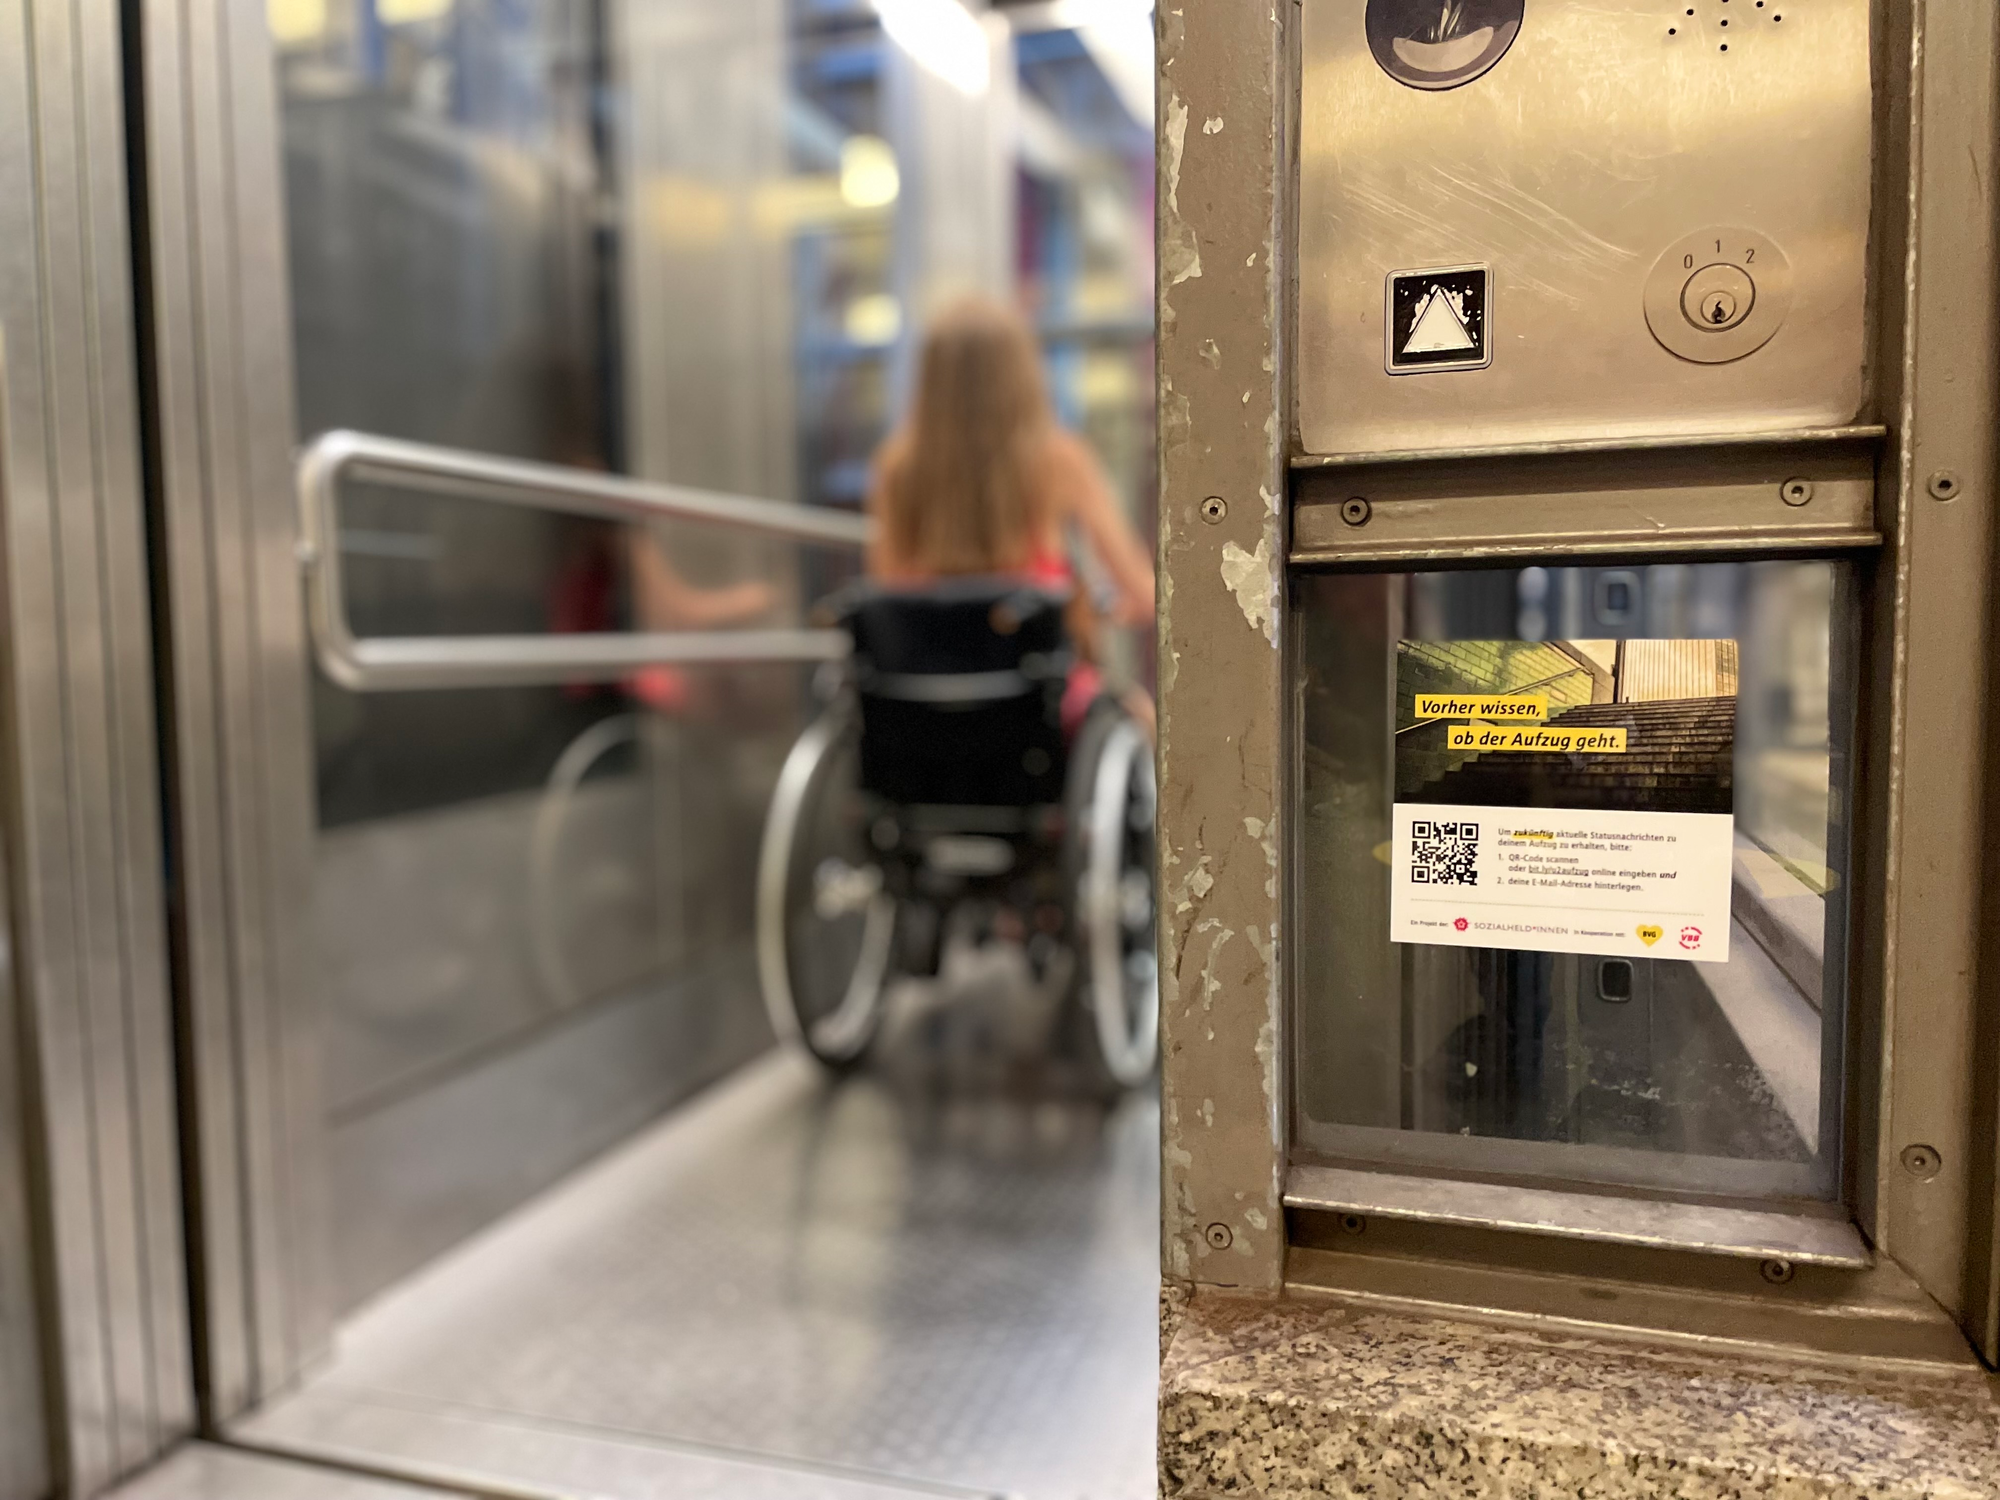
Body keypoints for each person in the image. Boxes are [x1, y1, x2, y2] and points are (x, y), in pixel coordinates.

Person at [866, 294, 1156, 734]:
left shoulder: (895, 468)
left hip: (923, 703)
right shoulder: (1059, 459)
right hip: (1036, 709)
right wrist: (1087, 606)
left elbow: (888, 590)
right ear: (1021, 373)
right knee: (1142, 717)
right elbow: (1144, 596)